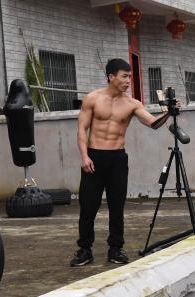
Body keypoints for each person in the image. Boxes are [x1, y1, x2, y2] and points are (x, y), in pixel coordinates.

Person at [70, 58, 176, 267]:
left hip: (117, 159)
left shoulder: (132, 104)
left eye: (129, 76)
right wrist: (84, 156)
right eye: (124, 76)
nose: (128, 81)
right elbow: (82, 129)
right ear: (111, 77)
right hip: (94, 157)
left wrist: (168, 113)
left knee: (117, 207)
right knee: (87, 207)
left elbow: (152, 124)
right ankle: (84, 250)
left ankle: (115, 249)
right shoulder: (92, 99)